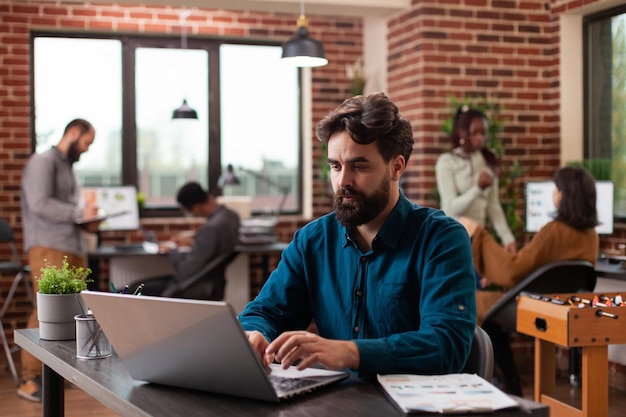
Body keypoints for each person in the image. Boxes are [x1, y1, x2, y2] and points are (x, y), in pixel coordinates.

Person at [238, 92, 476, 377]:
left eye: (359, 166)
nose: (343, 181)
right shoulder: (312, 241)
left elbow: (446, 345)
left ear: (396, 167)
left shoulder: (441, 238)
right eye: (335, 166)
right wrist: (254, 334)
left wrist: (350, 352)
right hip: (336, 402)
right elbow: (266, 312)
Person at [460, 165, 599, 395]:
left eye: (556, 189)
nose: (554, 194)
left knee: (469, 300)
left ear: (565, 195)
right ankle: (510, 382)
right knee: (493, 314)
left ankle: (487, 379)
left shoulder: (554, 231)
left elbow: (513, 270)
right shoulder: (591, 236)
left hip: (530, 305)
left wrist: (480, 236)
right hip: (558, 308)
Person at [19, 118, 99, 402]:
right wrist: (79, 214)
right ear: (74, 133)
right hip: (49, 246)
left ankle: (57, 373)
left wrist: (87, 220)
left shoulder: (69, 169)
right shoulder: (42, 162)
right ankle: (30, 378)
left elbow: (71, 209)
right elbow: (40, 203)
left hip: (72, 245)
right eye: (87, 142)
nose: (87, 149)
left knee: (69, 313)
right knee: (48, 308)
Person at [132, 182, 240, 300]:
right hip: (210, 284)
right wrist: (194, 243)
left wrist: (172, 251)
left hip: (190, 286)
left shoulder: (210, 229)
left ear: (196, 207)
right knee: (138, 286)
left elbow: (185, 271)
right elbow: (213, 248)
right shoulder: (231, 217)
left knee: (129, 290)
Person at [435, 106, 517, 253]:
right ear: (463, 133)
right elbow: (450, 208)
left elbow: (493, 205)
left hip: (478, 239)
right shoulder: (447, 161)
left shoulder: (488, 160)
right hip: (452, 240)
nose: (480, 138)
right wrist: (478, 188)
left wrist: (507, 238)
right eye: (474, 133)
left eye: (483, 133)